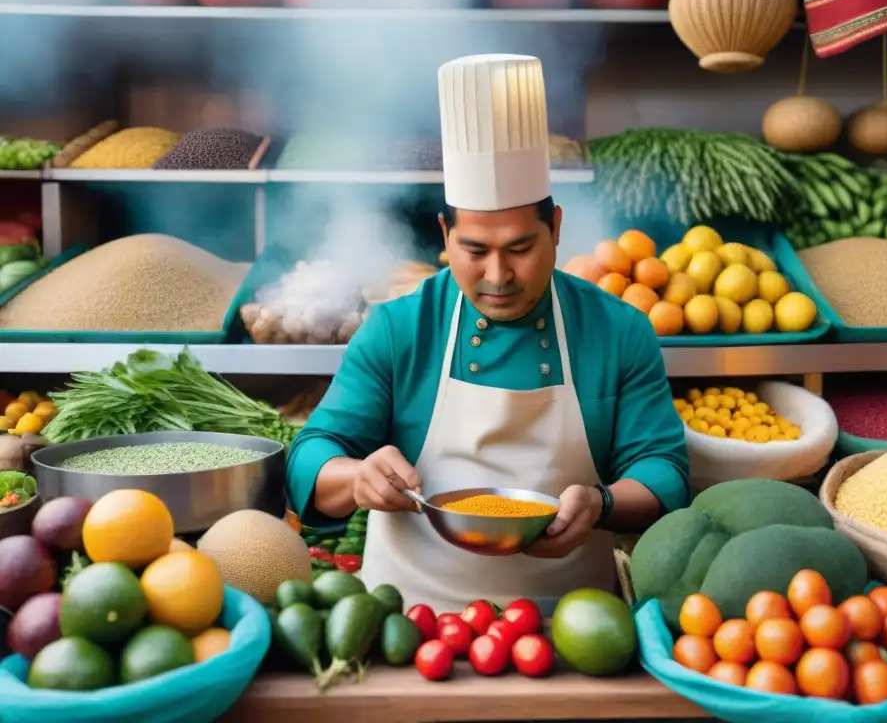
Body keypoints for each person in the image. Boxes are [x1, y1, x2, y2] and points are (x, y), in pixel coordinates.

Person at [285, 53, 690, 615]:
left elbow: (664, 471)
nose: (498, 277)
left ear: (555, 229)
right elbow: (310, 457)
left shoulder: (619, 330)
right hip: (412, 622)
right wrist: (356, 478)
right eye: (474, 251)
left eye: (521, 249)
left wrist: (601, 503)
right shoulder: (400, 328)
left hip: (573, 625)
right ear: (445, 236)